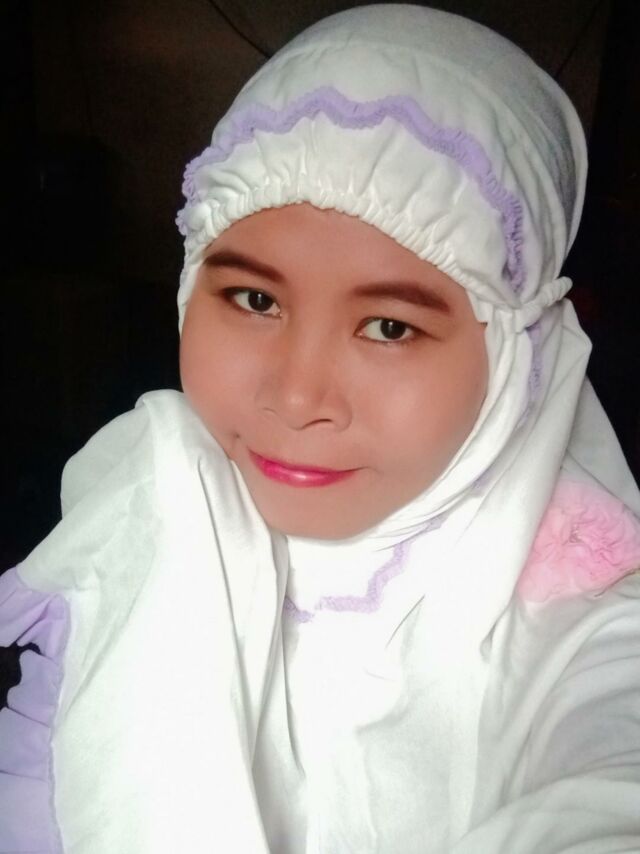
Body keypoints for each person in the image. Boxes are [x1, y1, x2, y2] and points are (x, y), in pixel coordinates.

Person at [2, 4, 640, 852]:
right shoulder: (154, 501)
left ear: (516, 353)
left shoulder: (583, 614)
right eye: (254, 299)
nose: (297, 398)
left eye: (389, 326)